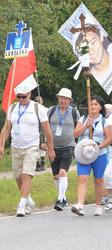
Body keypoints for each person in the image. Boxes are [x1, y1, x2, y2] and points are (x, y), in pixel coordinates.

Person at [0, 84, 55, 217]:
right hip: (15, 146)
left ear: (29, 94)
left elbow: (47, 131)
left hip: (31, 146)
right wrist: (1, 145)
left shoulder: (38, 108)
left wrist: (50, 149)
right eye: (19, 97)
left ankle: (21, 204)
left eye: (24, 97)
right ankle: (28, 198)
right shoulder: (12, 108)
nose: (21, 99)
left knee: (26, 175)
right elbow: (7, 128)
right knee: (18, 177)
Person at [71, 96, 112, 216]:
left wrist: (96, 148)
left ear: (100, 107)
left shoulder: (105, 121)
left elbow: (109, 138)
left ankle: (98, 205)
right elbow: (75, 134)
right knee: (82, 178)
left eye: (95, 104)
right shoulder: (83, 118)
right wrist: (85, 126)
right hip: (83, 154)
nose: (93, 106)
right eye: (91, 104)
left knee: (99, 180)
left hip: (99, 154)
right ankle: (80, 205)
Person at [48, 88, 80, 211]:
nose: (63, 100)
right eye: (61, 98)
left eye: (66, 98)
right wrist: (44, 143)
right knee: (56, 176)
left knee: (62, 173)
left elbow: (78, 128)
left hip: (69, 146)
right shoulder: (51, 111)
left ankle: (60, 200)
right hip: (53, 147)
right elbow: (44, 128)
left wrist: (78, 143)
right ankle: (64, 199)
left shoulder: (74, 112)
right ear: (58, 98)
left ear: (70, 100)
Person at [34, 95, 48, 172]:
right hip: (37, 130)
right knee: (38, 147)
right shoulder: (37, 109)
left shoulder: (44, 109)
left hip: (42, 130)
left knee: (41, 147)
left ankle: (41, 163)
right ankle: (39, 163)